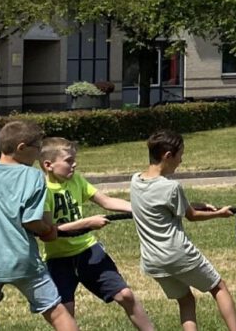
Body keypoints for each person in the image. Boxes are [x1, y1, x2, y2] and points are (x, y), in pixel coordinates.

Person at [0, 120, 78, 331]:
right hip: (22, 260)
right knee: (56, 312)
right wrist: (48, 231)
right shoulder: (33, 176)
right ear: (22, 147)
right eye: (37, 148)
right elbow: (31, 220)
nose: (38, 155)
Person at [131, 130, 236, 331]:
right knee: (219, 288)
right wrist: (220, 213)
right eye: (180, 155)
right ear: (167, 156)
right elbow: (191, 216)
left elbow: (167, 207)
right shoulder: (171, 187)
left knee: (186, 300)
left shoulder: (135, 181)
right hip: (177, 253)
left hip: (152, 260)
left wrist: (198, 205)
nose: (181, 161)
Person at [37, 138, 154, 330]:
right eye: (68, 161)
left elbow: (106, 201)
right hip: (58, 260)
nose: (74, 164)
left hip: (88, 251)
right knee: (65, 314)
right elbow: (49, 230)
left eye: (74, 159)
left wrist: (141, 209)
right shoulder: (43, 191)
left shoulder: (76, 180)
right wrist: (88, 223)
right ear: (48, 165)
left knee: (126, 295)